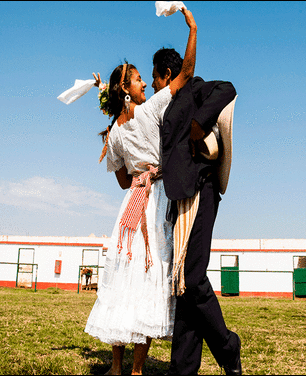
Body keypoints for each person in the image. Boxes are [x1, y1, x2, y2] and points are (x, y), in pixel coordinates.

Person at [83, 9, 197, 375]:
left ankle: (116, 367)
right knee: (148, 276)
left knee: (122, 277)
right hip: (155, 200)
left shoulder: (113, 134)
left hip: (130, 204)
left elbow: (119, 179)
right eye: (137, 80)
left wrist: (136, 174)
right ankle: (135, 369)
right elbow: (185, 76)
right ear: (126, 89)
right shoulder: (149, 112)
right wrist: (192, 28)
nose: (145, 85)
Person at [152, 49, 241, 374]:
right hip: (180, 199)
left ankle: (229, 348)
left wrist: (197, 125)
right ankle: (183, 370)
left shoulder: (194, 88)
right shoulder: (166, 107)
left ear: (166, 74)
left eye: (155, 77)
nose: (153, 83)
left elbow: (227, 89)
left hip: (201, 190)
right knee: (183, 288)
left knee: (192, 277)